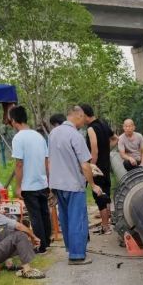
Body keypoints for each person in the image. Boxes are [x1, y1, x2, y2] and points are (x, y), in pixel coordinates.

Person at [48, 105, 103, 266]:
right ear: (78, 116)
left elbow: (50, 160)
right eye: (83, 118)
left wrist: (51, 185)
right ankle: (77, 255)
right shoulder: (75, 135)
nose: (84, 122)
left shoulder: (53, 133)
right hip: (73, 184)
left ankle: (71, 249)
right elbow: (85, 165)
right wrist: (93, 184)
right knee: (77, 218)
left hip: (58, 184)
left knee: (65, 218)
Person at [9, 105, 52, 253]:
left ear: (14, 120)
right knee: (44, 213)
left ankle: (41, 246)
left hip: (29, 185)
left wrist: (18, 186)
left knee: (35, 216)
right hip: (42, 182)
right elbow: (46, 161)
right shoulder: (38, 136)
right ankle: (47, 241)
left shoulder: (18, 138)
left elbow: (19, 164)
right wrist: (48, 180)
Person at [80, 103, 118, 234]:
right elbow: (115, 139)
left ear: (85, 115)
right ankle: (107, 224)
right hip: (106, 165)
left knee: (99, 196)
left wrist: (92, 166)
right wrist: (106, 151)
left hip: (97, 167)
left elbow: (94, 150)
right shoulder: (103, 124)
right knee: (105, 193)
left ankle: (105, 227)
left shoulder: (91, 129)